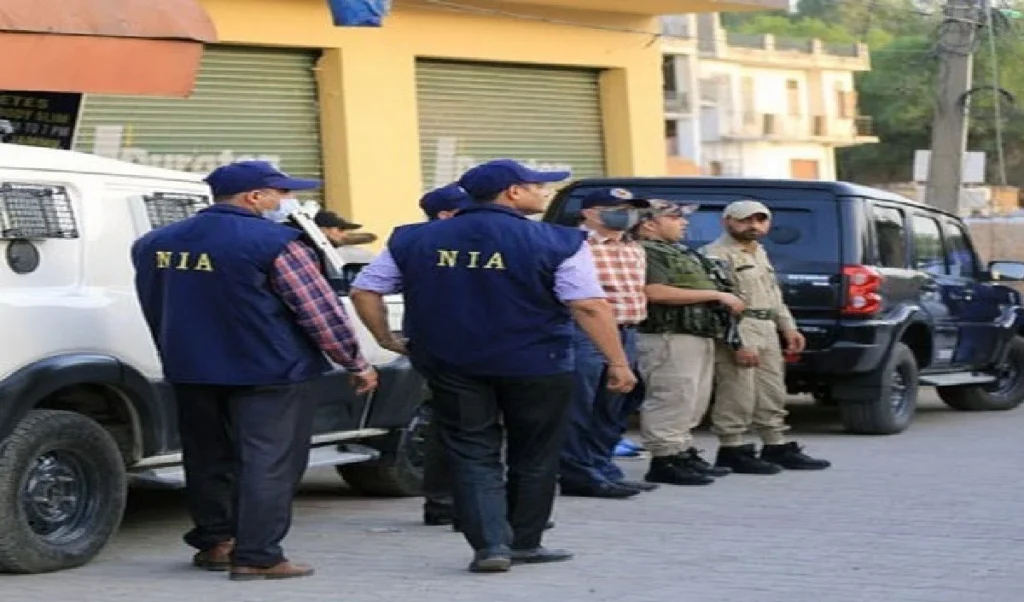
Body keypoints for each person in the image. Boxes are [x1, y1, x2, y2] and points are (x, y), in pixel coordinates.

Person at [348, 159, 637, 573]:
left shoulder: (414, 238)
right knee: (534, 453)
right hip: (537, 362)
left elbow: (364, 291)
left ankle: (490, 546)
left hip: (451, 362)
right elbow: (588, 305)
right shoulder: (558, 241)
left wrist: (385, 339)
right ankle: (524, 542)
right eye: (538, 186)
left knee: (471, 450)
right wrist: (618, 362)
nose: (545, 193)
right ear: (512, 192)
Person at [131, 160, 378, 581]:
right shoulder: (277, 243)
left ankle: (217, 543)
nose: (287, 200)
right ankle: (258, 555)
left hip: (192, 368)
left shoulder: (153, 243)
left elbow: (158, 303)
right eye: (281, 193)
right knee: (269, 461)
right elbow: (318, 311)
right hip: (270, 370)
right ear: (254, 197)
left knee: (207, 457)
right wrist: (354, 361)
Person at [702, 200, 831, 474]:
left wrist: (788, 327)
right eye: (745, 220)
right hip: (740, 325)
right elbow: (718, 305)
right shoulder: (715, 255)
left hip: (767, 325)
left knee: (772, 390)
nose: (754, 226)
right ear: (727, 221)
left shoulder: (758, 251)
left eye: (760, 220)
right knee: (738, 391)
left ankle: (775, 444)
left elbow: (774, 294)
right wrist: (738, 341)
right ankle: (732, 448)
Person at [632, 200, 746, 486]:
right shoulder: (647, 251)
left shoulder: (676, 251)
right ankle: (664, 459)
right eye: (674, 218)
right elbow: (653, 291)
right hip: (668, 334)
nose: (684, 223)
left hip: (694, 333)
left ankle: (680, 451)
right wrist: (715, 296)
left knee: (691, 399)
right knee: (672, 396)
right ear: (649, 224)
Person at [559, 187, 654, 499]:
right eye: (617, 209)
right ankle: (576, 472)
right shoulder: (574, 245)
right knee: (580, 405)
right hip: (586, 333)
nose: (627, 215)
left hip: (628, 331)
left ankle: (602, 467)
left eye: (630, 209)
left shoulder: (633, 247)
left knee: (614, 406)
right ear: (590, 213)